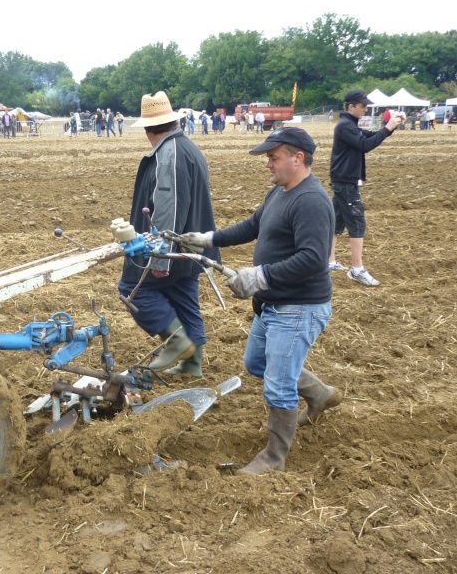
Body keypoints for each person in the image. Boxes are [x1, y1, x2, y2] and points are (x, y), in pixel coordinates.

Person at [178, 127, 341, 475]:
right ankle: (321, 394)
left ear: (298, 158)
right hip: (273, 305)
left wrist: (259, 277)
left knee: (279, 385)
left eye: (273, 157)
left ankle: (273, 459)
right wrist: (207, 239)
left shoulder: (311, 200)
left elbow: (314, 258)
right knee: (256, 363)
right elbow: (254, 225)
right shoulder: (280, 193)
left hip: (299, 308)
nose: (268, 164)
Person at [119, 91, 221, 378]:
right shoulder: (189, 147)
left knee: (132, 288)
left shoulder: (169, 154)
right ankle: (192, 363)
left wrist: (160, 257)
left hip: (173, 247)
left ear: (148, 129)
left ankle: (176, 342)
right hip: (192, 244)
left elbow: (168, 206)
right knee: (183, 295)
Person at [327, 89, 403, 286]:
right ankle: (357, 269)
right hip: (346, 183)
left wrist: (390, 128)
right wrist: (388, 127)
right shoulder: (346, 126)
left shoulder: (349, 125)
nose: (365, 109)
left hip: (342, 180)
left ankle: (329, 262)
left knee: (337, 222)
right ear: (351, 106)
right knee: (357, 223)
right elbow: (365, 145)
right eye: (362, 106)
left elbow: (368, 137)